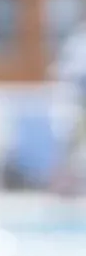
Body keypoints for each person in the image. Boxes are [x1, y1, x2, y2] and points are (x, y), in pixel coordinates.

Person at [49, 18, 86, 195]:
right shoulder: (78, 40)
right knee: (70, 142)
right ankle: (65, 182)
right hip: (76, 98)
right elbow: (64, 71)